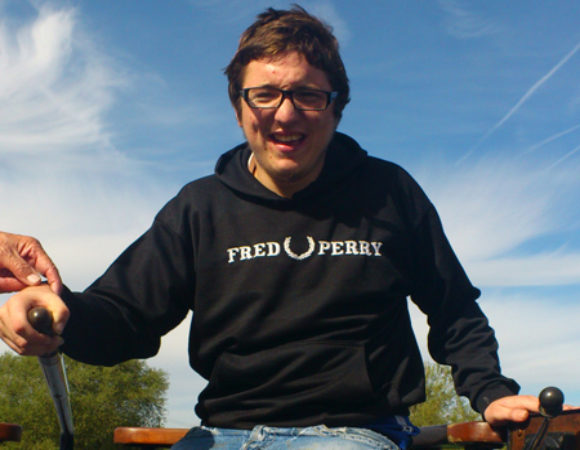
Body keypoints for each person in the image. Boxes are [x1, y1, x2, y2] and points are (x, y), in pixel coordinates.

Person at [0, 5, 546, 449]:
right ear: (238, 107)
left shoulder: (389, 192)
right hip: (219, 434)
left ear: (336, 108)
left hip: (354, 433)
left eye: (308, 94)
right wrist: (55, 310)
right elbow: (125, 318)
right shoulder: (199, 208)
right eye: (264, 94)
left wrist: (491, 391)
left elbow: (453, 310)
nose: (285, 114)